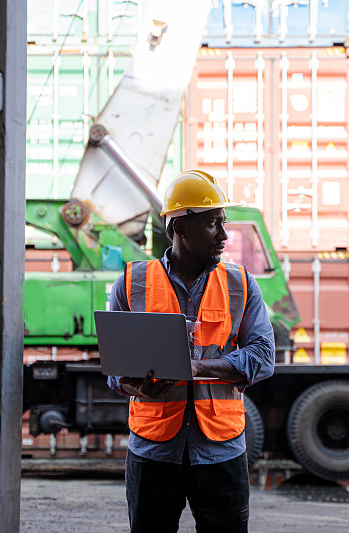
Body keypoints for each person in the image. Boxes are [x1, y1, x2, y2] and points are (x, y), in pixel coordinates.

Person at [107, 169, 275, 533]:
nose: (224, 235)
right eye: (214, 224)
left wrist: (196, 368)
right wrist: (136, 386)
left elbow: (262, 357)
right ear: (181, 228)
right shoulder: (132, 283)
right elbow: (114, 371)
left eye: (223, 223)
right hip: (153, 450)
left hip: (221, 449)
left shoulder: (241, 284)